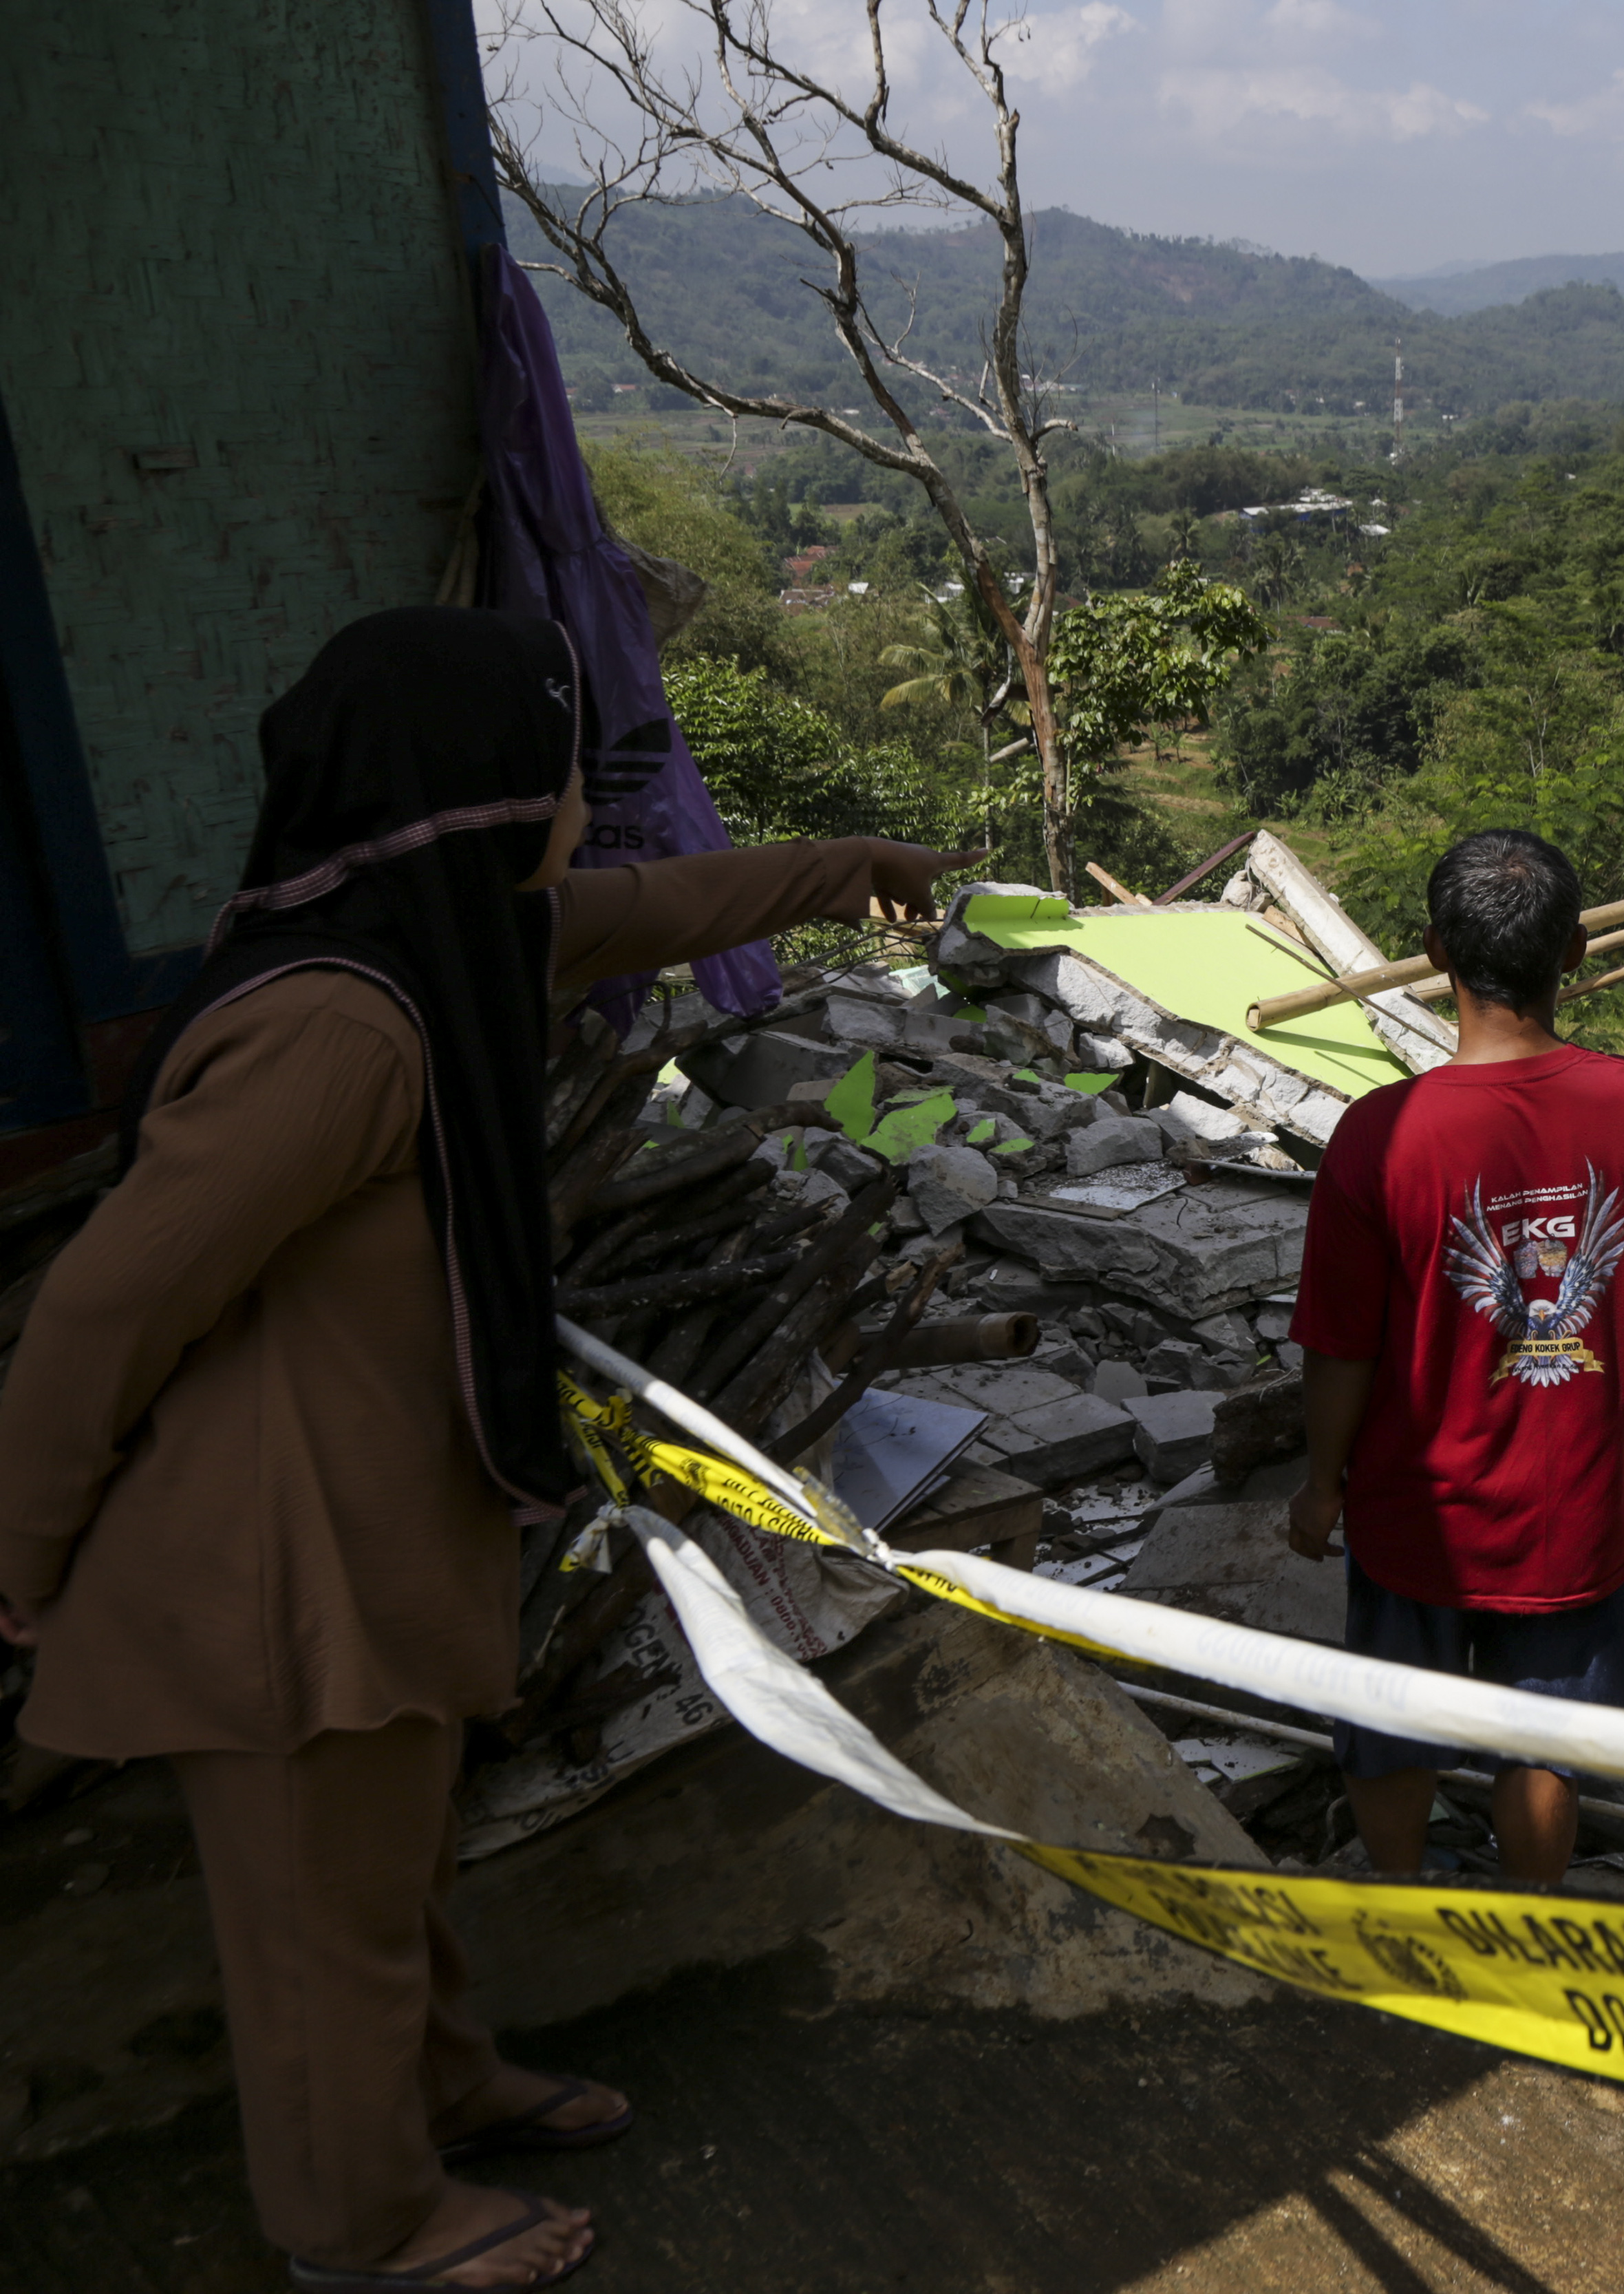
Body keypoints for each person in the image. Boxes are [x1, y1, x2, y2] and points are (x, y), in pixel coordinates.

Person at [0, 608, 982, 2291]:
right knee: (322, 1925)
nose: (580, 806)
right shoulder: (344, 1031)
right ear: (475, 792)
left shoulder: (435, 938)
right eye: (555, 767)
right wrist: (21, 1561)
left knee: (388, 1870)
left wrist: (847, 866)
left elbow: (660, 909)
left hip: (375, 1517)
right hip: (274, 1565)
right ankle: (358, 2224)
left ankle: (440, 2080)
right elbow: (102, 1312)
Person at [1282, 829, 1624, 1886]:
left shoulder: (1378, 1136)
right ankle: (1531, 1915)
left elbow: (1340, 1346)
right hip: (1578, 1494)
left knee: (1393, 1717)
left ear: (1432, 953)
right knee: (1544, 1732)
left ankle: (1401, 1905)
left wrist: (1323, 1485)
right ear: (1578, 953)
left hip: (1420, 1502)